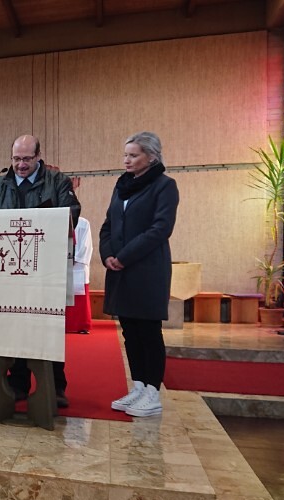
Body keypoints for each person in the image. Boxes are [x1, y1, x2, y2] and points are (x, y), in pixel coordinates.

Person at [0, 134, 80, 408]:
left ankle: (55, 385)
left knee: (48, 326)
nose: (21, 165)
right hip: (7, 272)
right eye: (16, 159)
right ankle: (18, 382)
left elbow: (71, 212)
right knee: (13, 326)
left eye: (26, 159)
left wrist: (43, 221)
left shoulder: (58, 182)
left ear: (38, 157)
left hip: (45, 271)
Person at [104, 132, 179, 417]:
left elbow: (160, 229)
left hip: (147, 270)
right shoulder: (121, 186)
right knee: (130, 332)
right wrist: (107, 255)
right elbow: (108, 225)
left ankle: (152, 392)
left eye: (133, 155)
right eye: (125, 155)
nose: (127, 160)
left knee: (148, 331)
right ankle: (138, 386)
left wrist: (124, 256)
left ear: (152, 156)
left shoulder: (164, 186)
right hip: (120, 270)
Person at [65, 216, 93, 333]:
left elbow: (86, 245)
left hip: (77, 264)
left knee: (79, 295)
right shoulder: (56, 219)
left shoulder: (83, 223)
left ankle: (81, 325)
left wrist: (74, 258)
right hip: (60, 263)